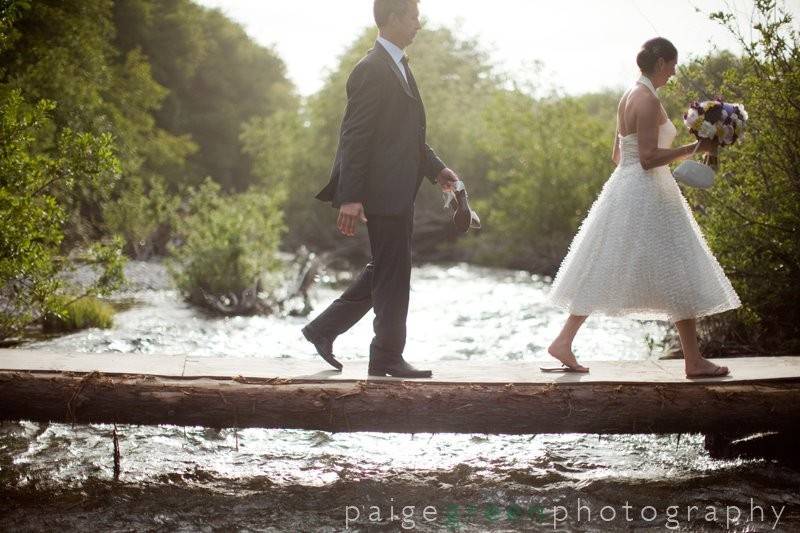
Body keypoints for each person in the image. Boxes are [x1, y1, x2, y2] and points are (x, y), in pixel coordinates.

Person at [546, 37, 741, 378]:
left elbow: (618, 156)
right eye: (674, 64)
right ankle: (693, 361)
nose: (675, 71)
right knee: (677, 266)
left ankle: (565, 340)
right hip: (647, 190)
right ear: (662, 62)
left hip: (628, 187)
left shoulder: (628, 96)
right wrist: (696, 147)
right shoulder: (647, 100)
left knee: (615, 265)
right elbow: (649, 159)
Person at [301, 0, 460, 378]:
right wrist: (351, 196)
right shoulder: (371, 68)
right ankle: (386, 355)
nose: (419, 24)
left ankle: (325, 330)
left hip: (398, 188)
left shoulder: (399, 65)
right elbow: (355, 136)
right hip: (382, 190)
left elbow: (408, 138)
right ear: (392, 19)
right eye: (413, 17)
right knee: (394, 271)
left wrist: (437, 171)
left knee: (388, 269)